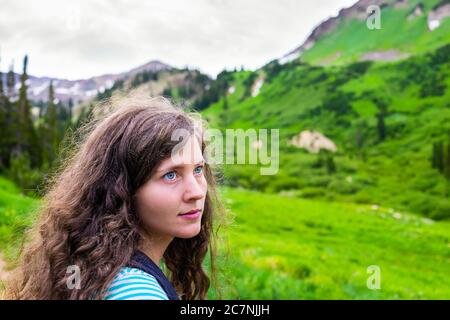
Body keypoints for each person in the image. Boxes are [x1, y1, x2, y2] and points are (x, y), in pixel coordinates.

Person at [4, 95, 224, 300]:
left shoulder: (96, 272)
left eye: (197, 170)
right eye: (170, 175)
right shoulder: (138, 293)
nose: (196, 192)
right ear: (122, 190)